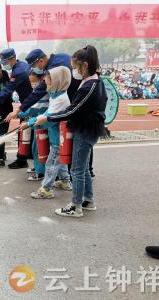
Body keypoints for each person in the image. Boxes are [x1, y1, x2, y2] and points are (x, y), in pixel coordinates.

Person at [34, 45, 107, 218]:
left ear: (85, 65)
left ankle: (76, 206)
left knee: (77, 170)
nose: (74, 71)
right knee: (83, 169)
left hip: (86, 130)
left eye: (75, 67)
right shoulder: (93, 81)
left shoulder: (90, 86)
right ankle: (88, 200)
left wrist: (48, 118)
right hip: (87, 128)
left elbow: (73, 110)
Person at [21, 66, 73, 199]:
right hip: (57, 137)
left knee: (51, 164)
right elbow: (46, 113)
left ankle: (46, 189)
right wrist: (30, 119)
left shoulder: (61, 98)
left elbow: (48, 118)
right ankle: (65, 181)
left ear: (57, 80)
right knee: (59, 160)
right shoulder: (56, 94)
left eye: (48, 77)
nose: (44, 79)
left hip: (58, 139)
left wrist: (29, 123)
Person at [0, 48, 33, 169]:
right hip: (26, 103)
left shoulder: (18, 71)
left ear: (13, 59)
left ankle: (23, 159)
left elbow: (6, 92)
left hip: (28, 104)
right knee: (24, 133)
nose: (3, 65)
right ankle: (22, 157)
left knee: (26, 133)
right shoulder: (18, 67)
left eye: (4, 63)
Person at [18, 71, 49, 181]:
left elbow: (35, 107)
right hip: (38, 123)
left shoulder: (42, 92)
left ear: (41, 80)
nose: (33, 84)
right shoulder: (37, 91)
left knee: (39, 148)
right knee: (36, 147)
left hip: (42, 124)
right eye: (31, 82)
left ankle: (41, 172)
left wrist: (20, 113)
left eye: (34, 81)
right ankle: (37, 168)